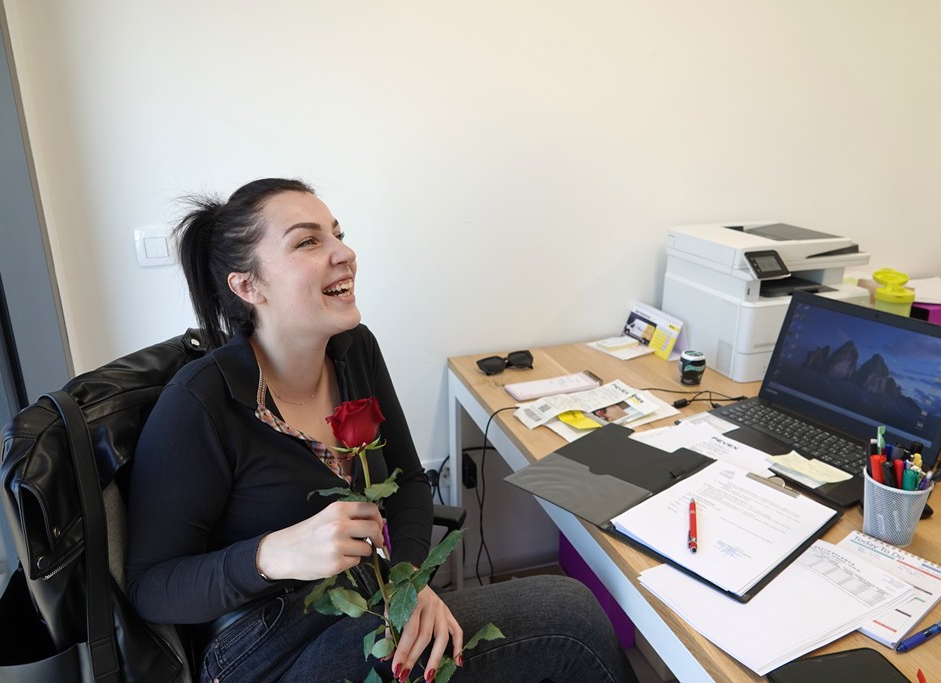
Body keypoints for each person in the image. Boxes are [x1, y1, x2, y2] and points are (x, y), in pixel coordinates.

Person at [125, 178, 639, 683]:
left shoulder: (354, 351)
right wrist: (270, 555)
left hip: (364, 598)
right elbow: (150, 588)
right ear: (248, 286)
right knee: (570, 617)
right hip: (261, 648)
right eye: (308, 242)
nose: (344, 253)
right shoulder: (200, 402)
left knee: (562, 620)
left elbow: (409, 480)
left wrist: (408, 583)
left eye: (337, 234)